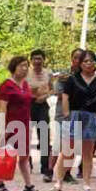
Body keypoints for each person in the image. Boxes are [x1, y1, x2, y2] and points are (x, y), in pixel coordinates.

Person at [54, 49, 96, 191]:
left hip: (91, 117)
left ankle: (87, 185)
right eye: (85, 61)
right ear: (80, 63)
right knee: (67, 151)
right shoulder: (73, 79)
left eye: (91, 60)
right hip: (74, 115)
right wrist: (67, 114)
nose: (88, 63)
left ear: (95, 62)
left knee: (88, 153)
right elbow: (65, 97)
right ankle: (58, 181)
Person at [0, 55, 44, 191]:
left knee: (24, 156)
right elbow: (2, 108)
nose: (24, 68)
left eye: (26, 66)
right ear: (13, 68)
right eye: (21, 66)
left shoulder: (25, 85)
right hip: (11, 125)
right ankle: (0, 184)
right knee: (6, 156)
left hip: (24, 125)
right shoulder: (6, 86)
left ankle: (28, 186)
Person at [55, 48, 84, 182]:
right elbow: (59, 93)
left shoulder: (86, 76)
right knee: (60, 145)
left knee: (73, 146)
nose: (78, 61)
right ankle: (50, 171)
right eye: (76, 57)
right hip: (63, 114)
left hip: (78, 115)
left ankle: (67, 173)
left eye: (81, 58)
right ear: (72, 59)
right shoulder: (64, 75)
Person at [28, 49, 55, 179]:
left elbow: (52, 89)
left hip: (42, 105)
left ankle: (45, 166)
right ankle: (27, 163)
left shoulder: (48, 73)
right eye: (35, 59)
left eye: (40, 59)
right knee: (26, 135)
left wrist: (45, 97)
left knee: (44, 136)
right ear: (31, 60)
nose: (37, 61)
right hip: (28, 104)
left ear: (44, 60)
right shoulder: (26, 72)